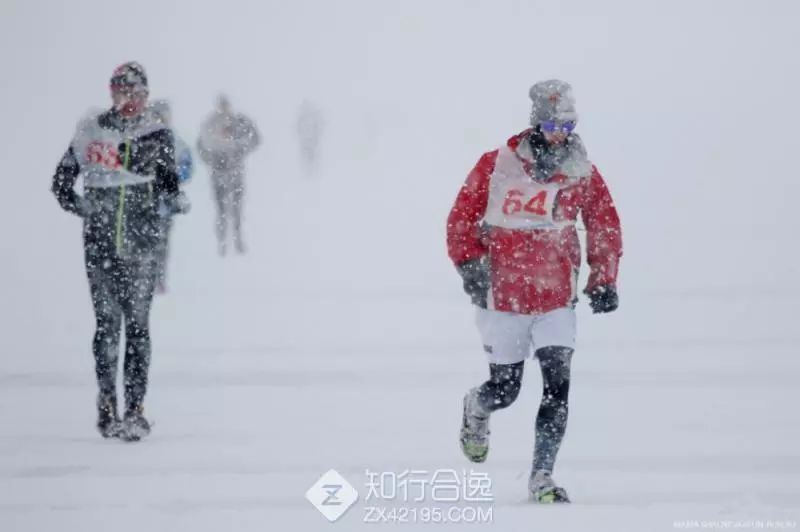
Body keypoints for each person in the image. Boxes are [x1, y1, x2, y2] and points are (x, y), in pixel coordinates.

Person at [446, 80, 622, 503]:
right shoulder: (497, 164)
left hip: (556, 297)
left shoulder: (581, 171)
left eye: (567, 124)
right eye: (551, 123)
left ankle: (541, 476)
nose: (560, 132)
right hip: (503, 297)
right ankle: (477, 407)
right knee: (506, 390)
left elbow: (603, 224)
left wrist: (603, 279)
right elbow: (460, 218)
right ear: (535, 122)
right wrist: (470, 265)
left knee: (557, 388)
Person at [51, 62, 188, 441]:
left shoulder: (158, 133)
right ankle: (108, 407)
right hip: (100, 249)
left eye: (137, 93)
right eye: (123, 92)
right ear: (111, 92)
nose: (130, 100)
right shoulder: (91, 130)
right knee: (108, 328)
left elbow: (168, 183)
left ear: (146, 95)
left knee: (139, 329)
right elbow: (61, 181)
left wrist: (171, 200)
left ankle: (136, 411)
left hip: (142, 247)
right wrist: (85, 209)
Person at [197, 95, 260, 255]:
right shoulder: (210, 123)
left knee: (237, 209)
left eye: (226, 105)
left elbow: (255, 139)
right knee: (221, 210)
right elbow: (201, 145)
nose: (224, 108)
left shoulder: (238, 122)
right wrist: (212, 158)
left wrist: (240, 149)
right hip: (218, 173)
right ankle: (222, 242)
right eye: (221, 105)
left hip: (236, 172)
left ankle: (238, 239)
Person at [149, 99, 193, 294]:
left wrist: (172, 178)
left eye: (163, 115)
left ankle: (159, 278)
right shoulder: (141, 138)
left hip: (165, 204)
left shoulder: (176, 141)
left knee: (162, 243)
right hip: (143, 203)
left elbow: (187, 167)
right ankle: (146, 278)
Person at [296, 99, 323, 175]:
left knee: (311, 156)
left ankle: (312, 171)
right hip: (305, 141)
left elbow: (317, 128)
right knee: (306, 157)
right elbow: (298, 128)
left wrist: (316, 137)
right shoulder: (302, 118)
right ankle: (306, 172)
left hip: (311, 141)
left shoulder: (312, 117)